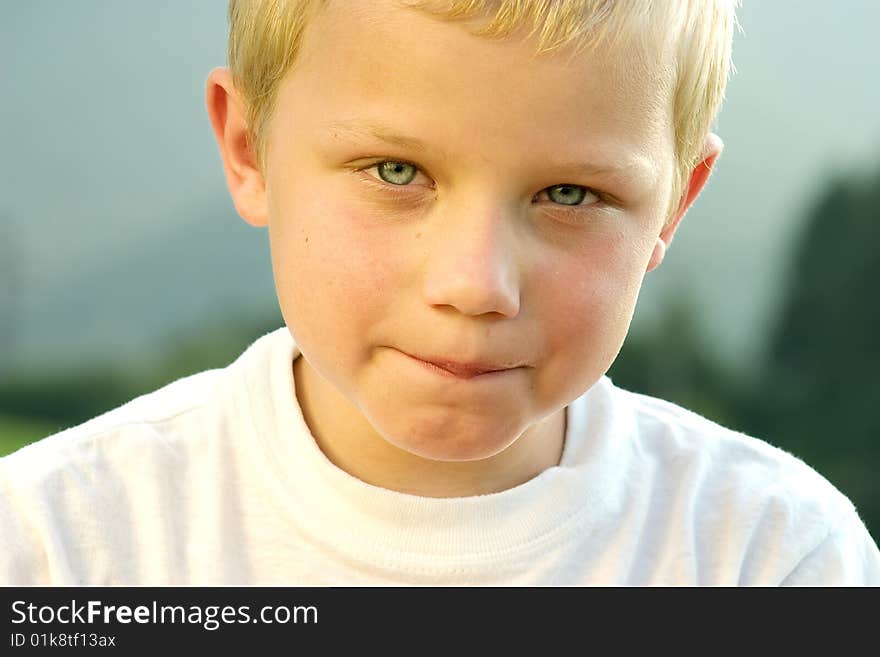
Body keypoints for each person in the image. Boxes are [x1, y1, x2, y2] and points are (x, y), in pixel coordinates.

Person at [2, 0, 878, 586]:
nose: (475, 285)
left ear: (672, 207)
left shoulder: (773, 559)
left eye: (570, 195)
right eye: (396, 171)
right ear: (249, 149)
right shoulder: (60, 545)